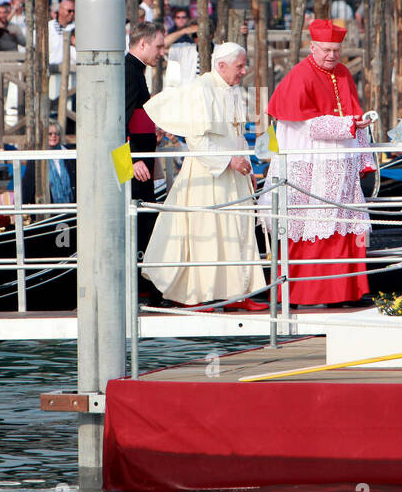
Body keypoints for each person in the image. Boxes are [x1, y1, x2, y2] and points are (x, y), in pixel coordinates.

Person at [141, 42, 267, 310]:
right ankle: (202, 294)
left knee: (239, 231)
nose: (244, 71)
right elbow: (197, 141)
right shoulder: (202, 90)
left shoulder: (230, 90)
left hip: (234, 173)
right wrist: (229, 161)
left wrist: (248, 168)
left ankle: (239, 293)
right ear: (221, 66)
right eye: (240, 66)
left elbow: (236, 133)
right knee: (208, 234)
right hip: (207, 174)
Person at [262, 19, 376, 306]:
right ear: (312, 47)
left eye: (336, 50)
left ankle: (346, 294)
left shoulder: (344, 73)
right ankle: (305, 295)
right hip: (311, 170)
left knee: (346, 228)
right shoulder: (300, 76)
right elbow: (307, 125)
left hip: (341, 168)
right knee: (312, 227)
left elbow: (353, 115)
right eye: (326, 50)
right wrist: (349, 124)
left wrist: (364, 152)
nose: (332, 56)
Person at [125, 22, 165, 264]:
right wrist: (132, 159)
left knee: (143, 218)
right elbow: (119, 120)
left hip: (139, 160)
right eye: (158, 46)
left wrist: (152, 131)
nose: (161, 52)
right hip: (135, 165)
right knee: (140, 219)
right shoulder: (130, 72)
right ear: (143, 43)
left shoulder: (133, 70)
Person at [21, 120, 76, 204]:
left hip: (72, 210)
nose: (53, 136)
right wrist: (18, 209)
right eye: (49, 134)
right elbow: (27, 185)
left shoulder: (70, 155)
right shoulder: (36, 158)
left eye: (56, 133)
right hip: (47, 211)